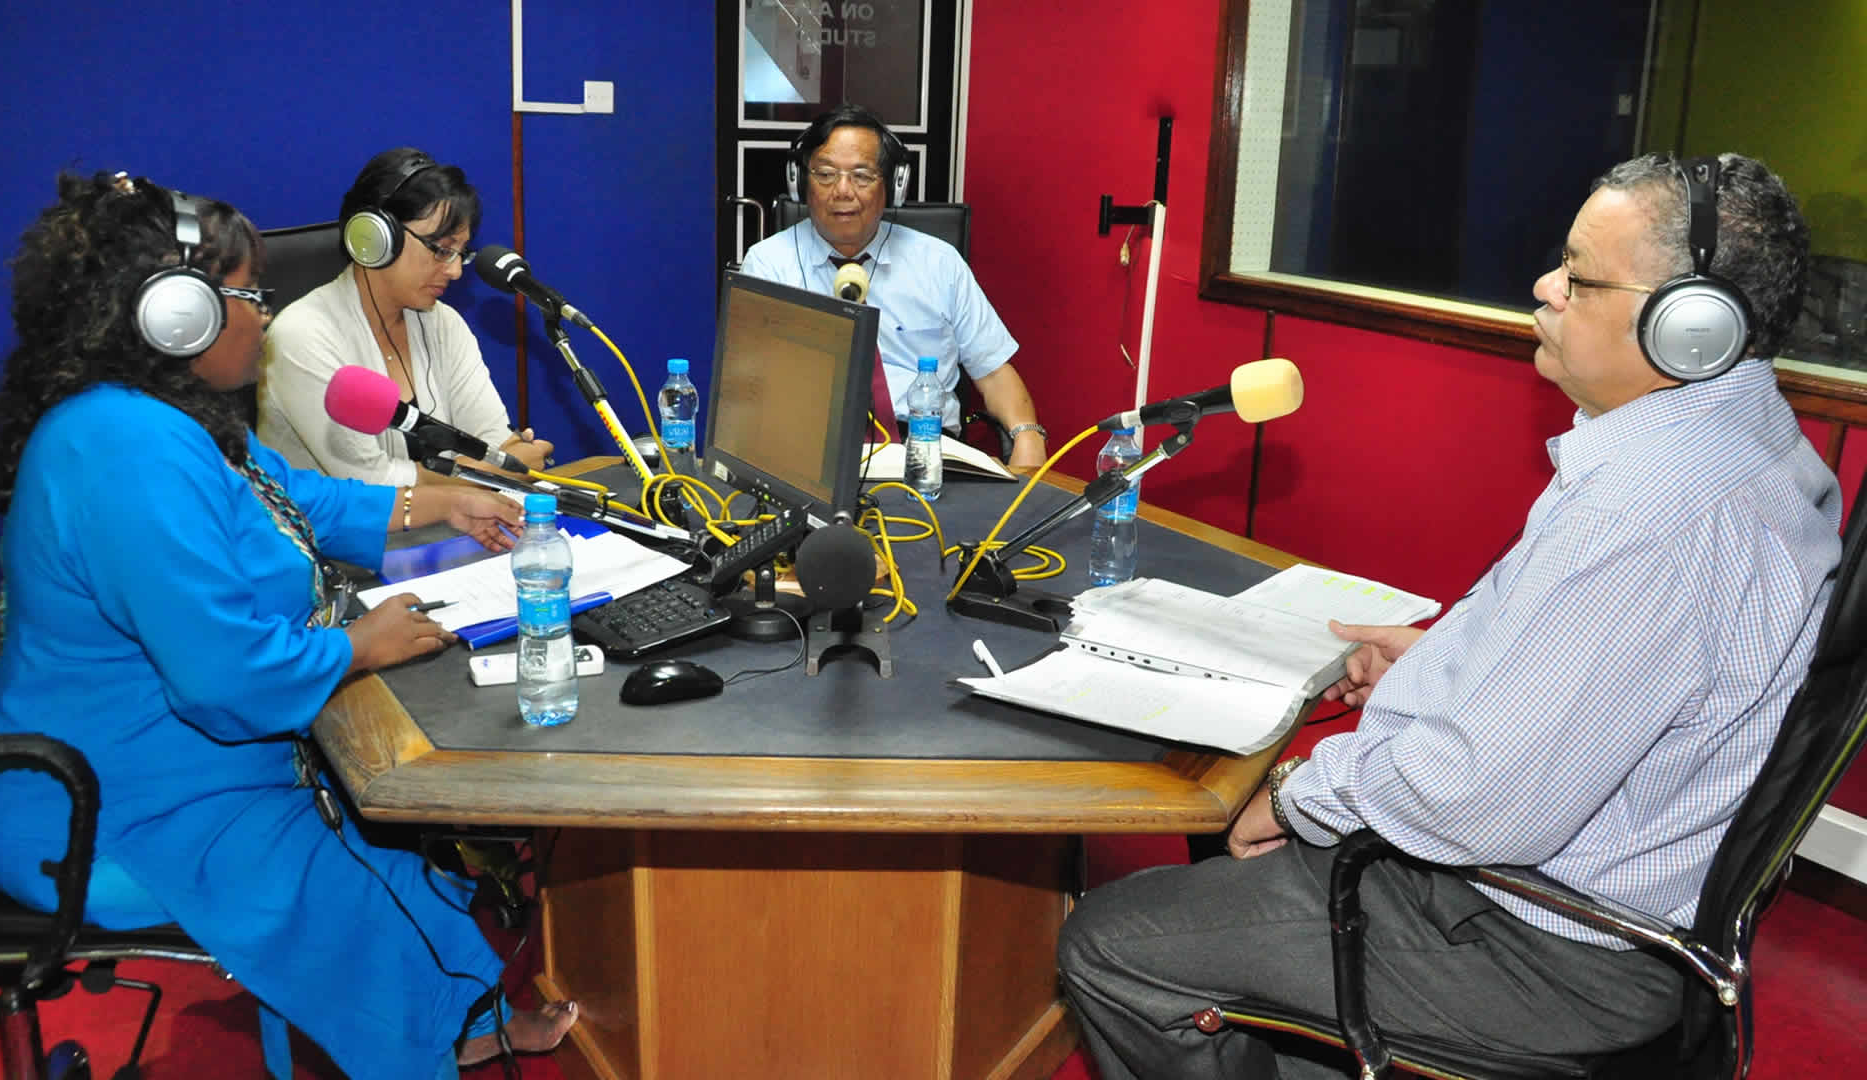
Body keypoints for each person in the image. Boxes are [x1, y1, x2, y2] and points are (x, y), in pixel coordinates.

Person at [1057, 152, 1840, 1077]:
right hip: (1597, 899)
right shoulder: (1753, 443)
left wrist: (1298, 795)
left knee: (1112, 943)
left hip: (1542, 947)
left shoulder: (1646, 516)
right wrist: (1442, 662)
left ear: (1692, 329)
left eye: (1580, 276)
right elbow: (1619, 672)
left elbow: (1472, 801)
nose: (1545, 287)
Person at [0, 171, 578, 1079]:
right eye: (251, 295)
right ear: (178, 317)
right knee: (361, 883)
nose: (266, 312)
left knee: (394, 858)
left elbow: (296, 502)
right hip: (100, 810)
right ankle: (431, 1037)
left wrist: (437, 501)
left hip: (170, 769)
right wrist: (359, 645)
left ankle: (454, 1022)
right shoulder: (124, 450)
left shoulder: (167, 415)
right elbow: (226, 680)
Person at [740, 104, 1049, 468]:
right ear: (800, 182)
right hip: (811, 451)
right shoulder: (768, 264)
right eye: (825, 174)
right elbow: (749, 387)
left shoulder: (939, 263)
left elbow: (994, 372)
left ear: (893, 185)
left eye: (861, 176)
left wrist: (1028, 434)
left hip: (927, 451)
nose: (842, 190)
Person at [257, 146, 552, 485]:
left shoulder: (443, 323)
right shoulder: (301, 335)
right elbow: (371, 486)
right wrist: (497, 470)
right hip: (325, 521)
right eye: (442, 250)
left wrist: (501, 462)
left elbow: (495, 443)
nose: (455, 271)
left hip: (447, 516)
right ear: (375, 237)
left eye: (461, 253)